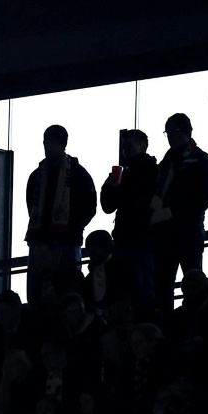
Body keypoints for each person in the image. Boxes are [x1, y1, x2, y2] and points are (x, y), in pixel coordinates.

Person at [149, 114, 208, 317]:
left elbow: (205, 196)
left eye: (175, 131)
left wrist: (172, 212)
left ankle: (196, 321)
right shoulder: (166, 162)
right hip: (165, 235)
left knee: (192, 281)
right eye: (168, 132)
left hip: (187, 233)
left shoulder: (200, 160)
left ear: (187, 132)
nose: (171, 136)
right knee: (162, 285)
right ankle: (168, 324)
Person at [24, 125, 97, 303]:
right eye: (46, 143)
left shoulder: (39, 175)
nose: (48, 147)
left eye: (51, 143)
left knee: (59, 292)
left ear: (62, 144)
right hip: (57, 241)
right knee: (60, 292)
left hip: (56, 242)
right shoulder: (77, 174)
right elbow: (89, 207)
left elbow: (31, 206)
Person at [101, 127, 157, 315]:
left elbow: (109, 206)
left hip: (134, 238)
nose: (126, 150)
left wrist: (110, 188)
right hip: (139, 238)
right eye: (125, 146)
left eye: (129, 146)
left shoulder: (133, 174)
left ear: (143, 145)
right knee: (140, 287)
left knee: (130, 286)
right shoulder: (152, 171)